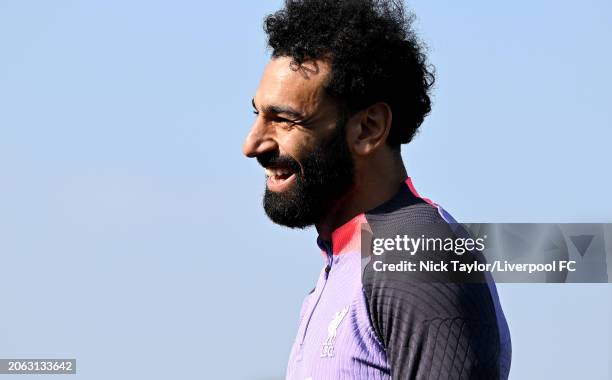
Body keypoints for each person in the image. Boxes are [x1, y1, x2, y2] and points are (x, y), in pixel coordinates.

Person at [242, 1, 511, 379]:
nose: (252, 145)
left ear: (368, 128)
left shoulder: (414, 253)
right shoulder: (346, 261)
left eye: (286, 120)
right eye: (258, 115)